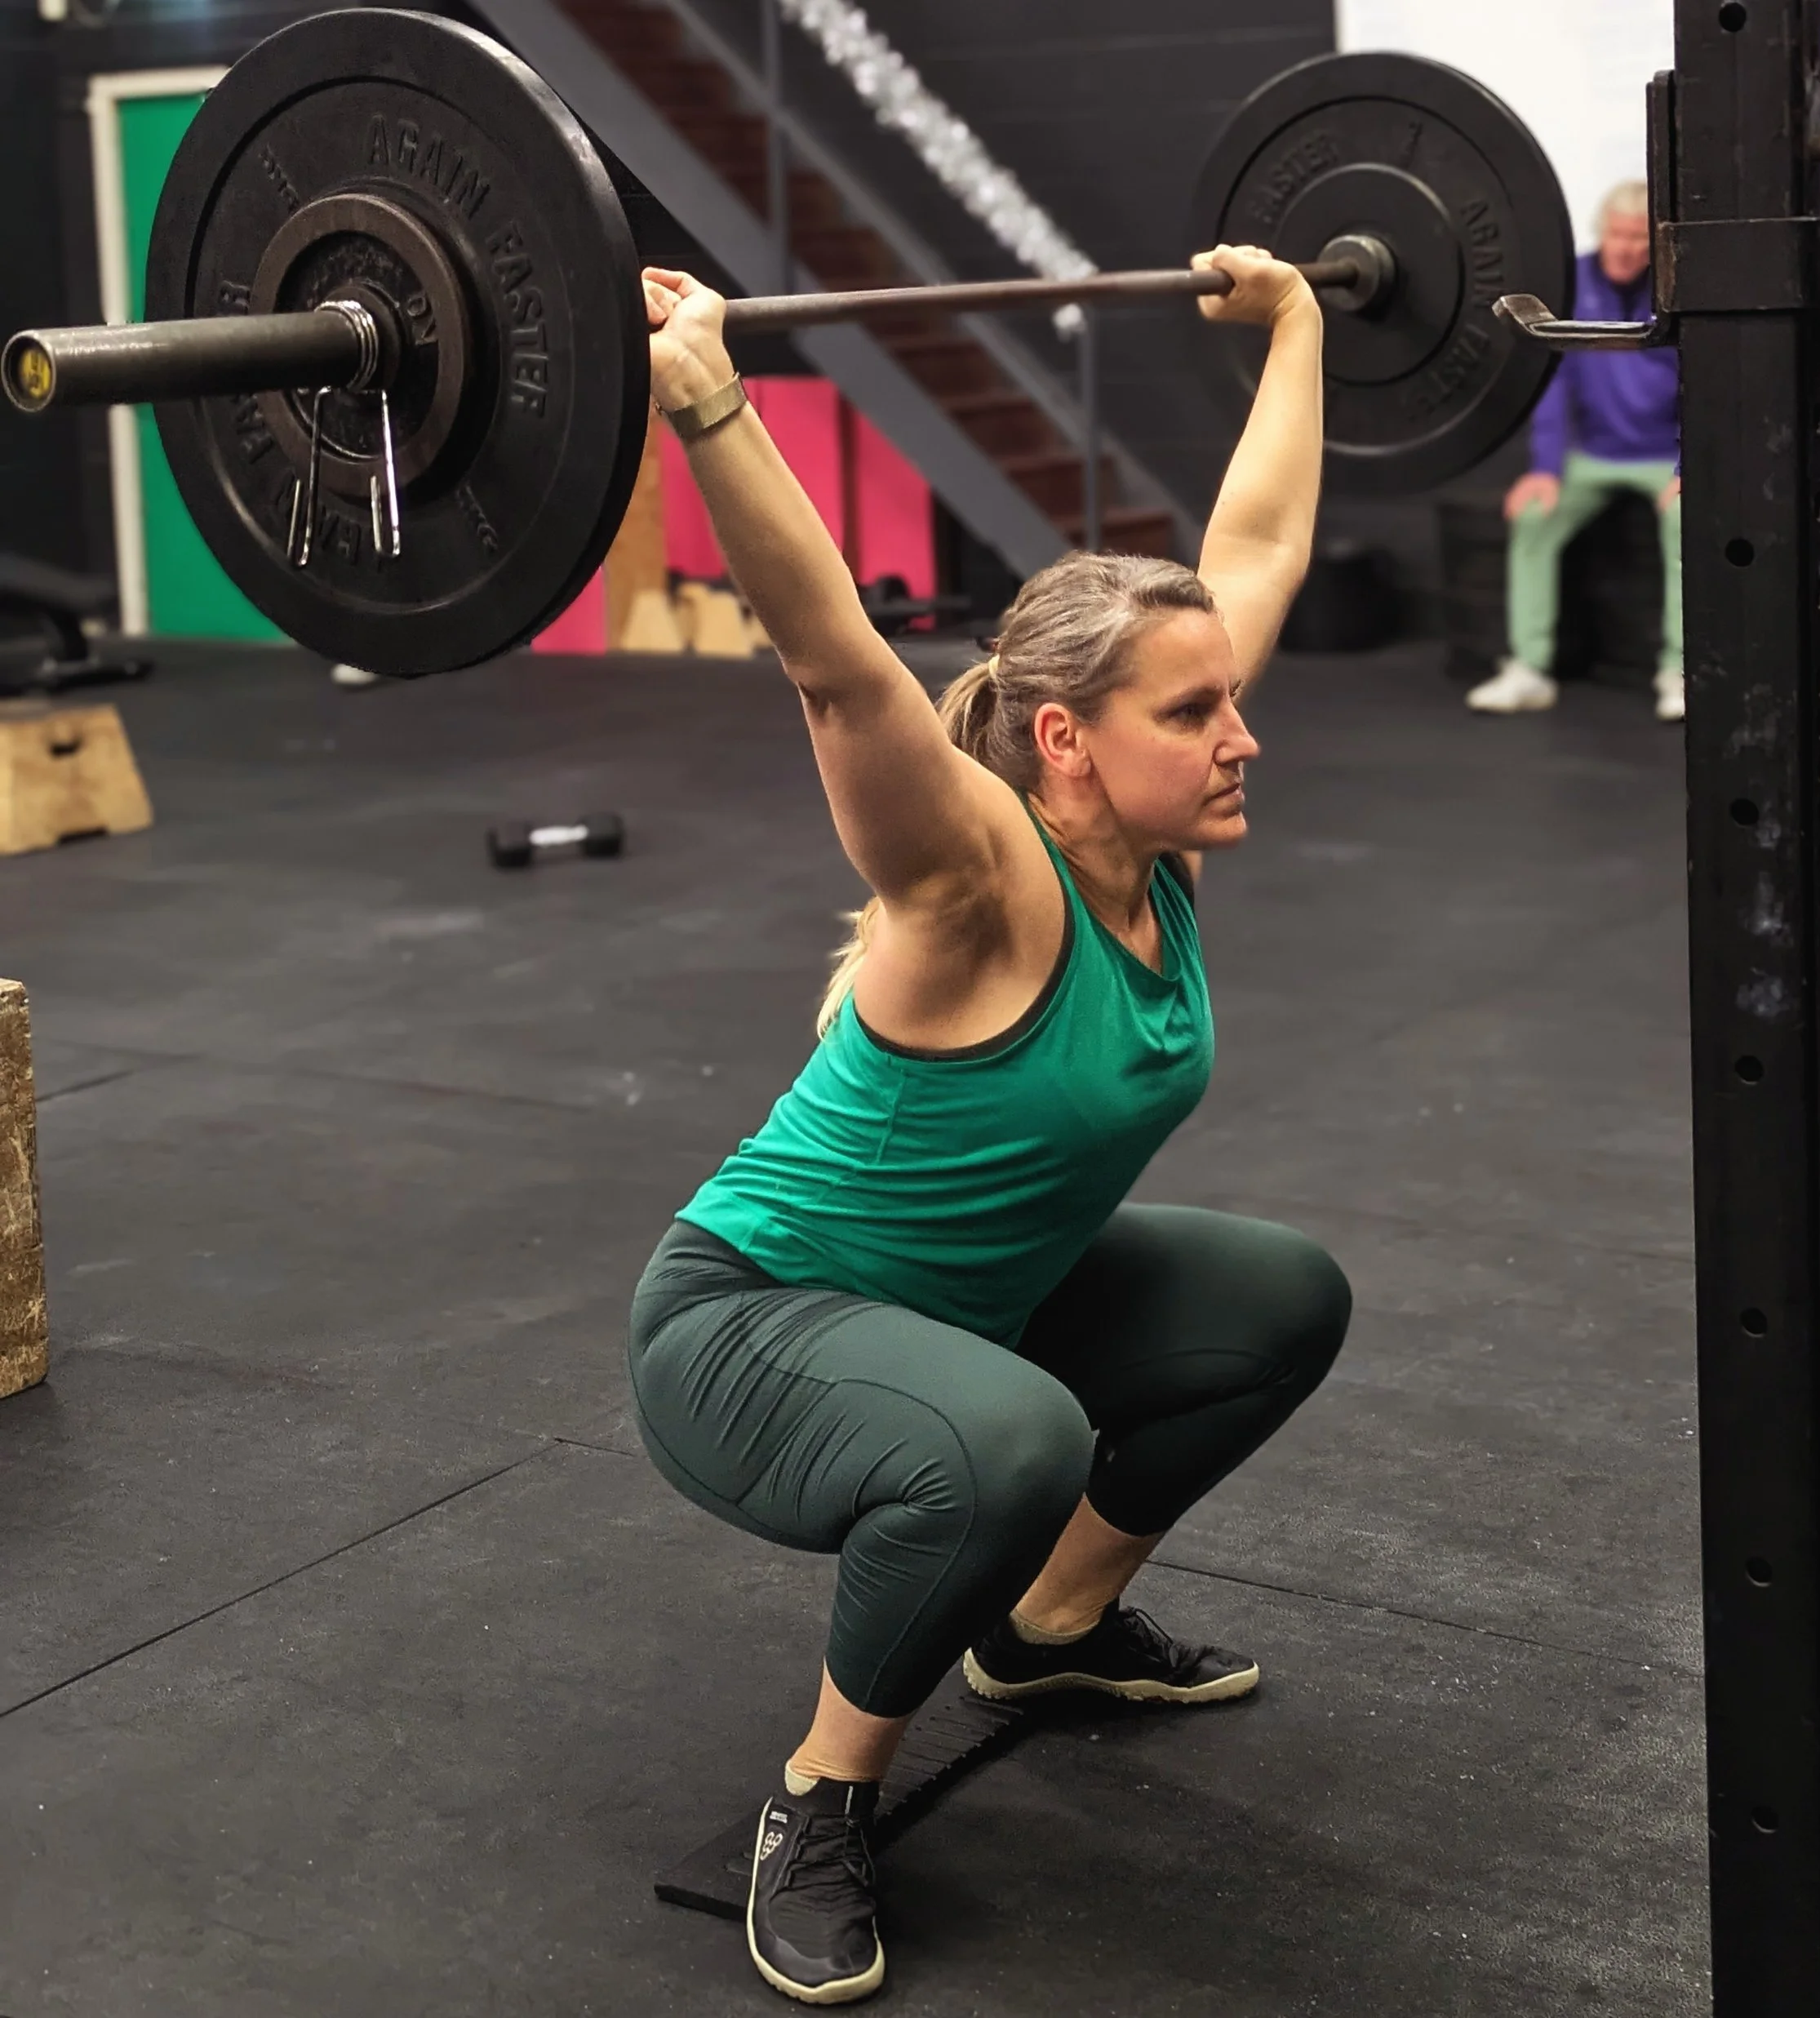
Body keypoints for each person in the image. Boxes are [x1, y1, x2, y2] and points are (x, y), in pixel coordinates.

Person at [631, 244, 1352, 2006]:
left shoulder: (1150, 815)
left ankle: (1046, 1633)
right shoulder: (972, 879)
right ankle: (819, 1797)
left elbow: (1247, 551)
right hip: (747, 1329)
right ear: (1065, 740)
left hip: (958, 1319)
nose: (1239, 733)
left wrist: (1301, 326)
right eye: (1197, 714)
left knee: (1283, 1302)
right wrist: (709, 401)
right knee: (1008, 1440)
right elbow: (832, 669)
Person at [1467, 179, 1685, 722]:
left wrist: (1691, 467)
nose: (1626, 247)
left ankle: (1679, 672)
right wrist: (1545, 468)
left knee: (1690, 521)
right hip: (1591, 455)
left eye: (1639, 238)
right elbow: (1552, 386)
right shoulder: (1571, 284)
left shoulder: (1677, 292)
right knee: (1535, 517)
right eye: (1618, 234)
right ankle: (1530, 670)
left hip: (1664, 456)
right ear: (1601, 233)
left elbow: (1702, 385)